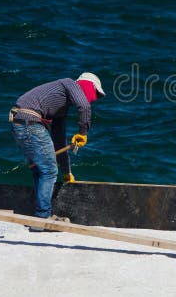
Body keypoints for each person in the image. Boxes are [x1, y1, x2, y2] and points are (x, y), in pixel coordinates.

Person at [9, 72, 105, 227]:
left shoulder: (60, 109)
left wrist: (67, 172)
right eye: (95, 93)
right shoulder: (69, 83)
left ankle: (42, 214)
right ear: (88, 86)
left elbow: (60, 142)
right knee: (49, 170)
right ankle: (42, 217)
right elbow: (84, 106)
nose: (94, 99)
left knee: (40, 170)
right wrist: (83, 133)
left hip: (20, 124)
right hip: (30, 123)